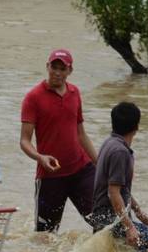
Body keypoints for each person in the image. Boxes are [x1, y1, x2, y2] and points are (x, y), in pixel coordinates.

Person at [20, 49, 98, 232]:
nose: (57, 72)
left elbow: (81, 134)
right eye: (53, 67)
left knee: (103, 222)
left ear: (70, 71)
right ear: (47, 67)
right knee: (45, 236)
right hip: (50, 177)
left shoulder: (75, 93)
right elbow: (24, 141)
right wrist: (40, 157)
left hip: (81, 171)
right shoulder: (33, 98)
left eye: (62, 69)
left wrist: (99, 163)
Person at [90, 102, 148, 252]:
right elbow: (113, 193)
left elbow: (121, 189)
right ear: (137, 126)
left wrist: (139, 212)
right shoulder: (120, 152)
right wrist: (129, 227)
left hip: (103, 215)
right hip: (109, 218)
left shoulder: (109, 143)